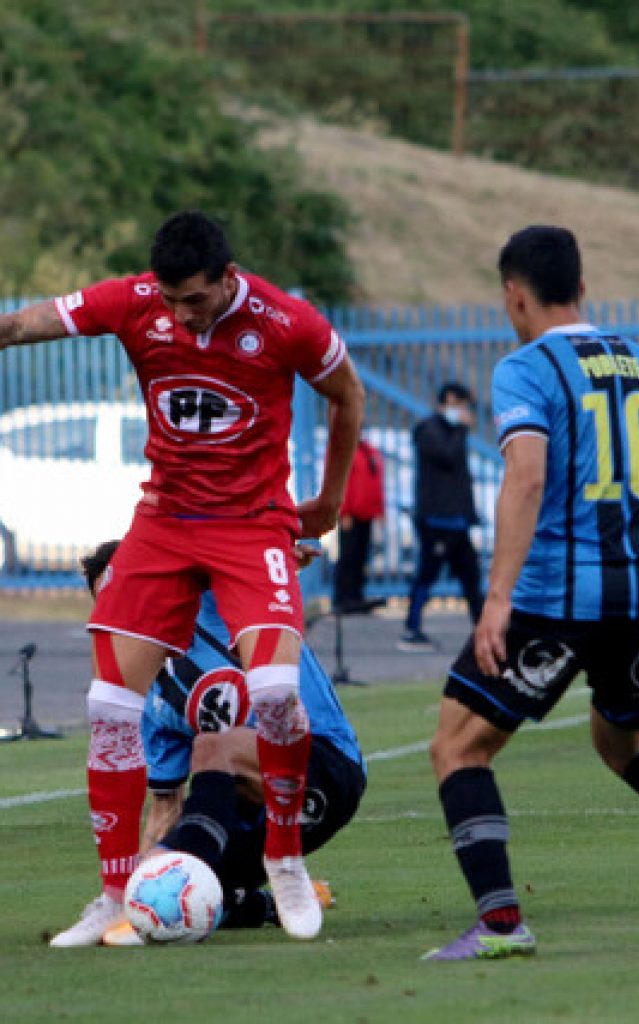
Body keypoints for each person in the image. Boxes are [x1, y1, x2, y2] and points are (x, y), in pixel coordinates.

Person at [0, 210, 364, 946]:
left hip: (252, 522)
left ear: (228, 279)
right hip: (164, 522)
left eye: (194, 300)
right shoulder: (136, 302)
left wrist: (326, 502)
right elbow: (18, 326)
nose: (180, 316)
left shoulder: (287, 323)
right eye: (169, 301)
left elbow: (347, 396)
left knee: (274, 696)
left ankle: (285, 858)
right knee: (108, 702)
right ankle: (112, 894)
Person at [421, 224, 639, 962]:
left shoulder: (526, 368)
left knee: (457, 749)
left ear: (515, 297)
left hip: (557, 596)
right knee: (629, 745)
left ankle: (502, 924)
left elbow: (527, 476)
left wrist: (495, 599)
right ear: (581, 286)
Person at [76, 542, 367, 945]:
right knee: (173, 889)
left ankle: (207, 866)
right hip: (252, 813)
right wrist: (139, 879)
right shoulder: (148, 699)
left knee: (214, 748)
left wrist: (280, 547)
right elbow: (166, 806)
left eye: (124, 595)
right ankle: (259, 902)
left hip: (326, 767)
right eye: (107, 605)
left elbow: (238, 555)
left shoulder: (210, 603)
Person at [398, 381, 484, 651]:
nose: (464, 412)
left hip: (457, 522)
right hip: (437, 521)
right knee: (427, 575)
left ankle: (482, 630)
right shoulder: (430, 430)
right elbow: (448, 457)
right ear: (448, 400)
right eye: (461, 405)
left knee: (471, 577)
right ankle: (411, 630)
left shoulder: (451, 430)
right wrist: (460, 428)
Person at [333, 433, 385, 613]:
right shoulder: (343, 449)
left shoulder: (367, 450)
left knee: (360, 557)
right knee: (348, 557)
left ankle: (356, 596)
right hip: (351, 515)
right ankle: (343, 598)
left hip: (366, 513)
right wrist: (344, 511)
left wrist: (379, 510)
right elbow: (341, 483)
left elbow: (375, 481)